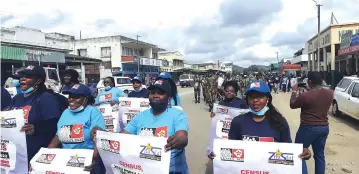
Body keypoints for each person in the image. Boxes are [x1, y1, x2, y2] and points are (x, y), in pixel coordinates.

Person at [208, 80, 312, 173]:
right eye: (251, 97)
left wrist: (301, 152)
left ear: (268, 99)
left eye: (260, 96)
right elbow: (229, 151)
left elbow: (288, 151)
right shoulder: (238, 122)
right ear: (247, 99)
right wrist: (218, 154)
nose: (255, 100)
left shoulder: (279, 122)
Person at [92, 79, 189, 173]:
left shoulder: (177, 114)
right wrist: (102, 135)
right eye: (153, 92)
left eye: (160, 93)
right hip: (145, 169)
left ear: (168, 97)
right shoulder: (140, 116)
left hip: (172, 170)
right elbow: (120, 137)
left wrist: (180, 140)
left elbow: (182, 136)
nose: (155, 95)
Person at [9, 65, 63, 163]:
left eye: (27, 77)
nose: (22, 79)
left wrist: (36, 128)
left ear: (38, 80)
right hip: (17, 153)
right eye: (21, 77)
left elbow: (55, 127)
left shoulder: (46, 98)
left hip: (36, 153)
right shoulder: (17, 98)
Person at [48, 83, 106, 173]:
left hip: (88, 162)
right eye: (70, 96)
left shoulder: (93, 112)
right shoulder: (65, 113)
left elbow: (98, 137)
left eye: (76, 97)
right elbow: (58, 136)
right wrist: (47, 155)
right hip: (67, 160)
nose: (71, 99)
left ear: (86, 99)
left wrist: (93, 158)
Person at [290, 72, 333, 174]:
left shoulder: (305, 95)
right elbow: (318, 96)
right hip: (324, 128)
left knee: (299, 154)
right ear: (322, 81)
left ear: (309, 82)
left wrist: (294, 91)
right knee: (319, 155)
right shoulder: (330, 93)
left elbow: (292, 104)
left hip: (307, 128)